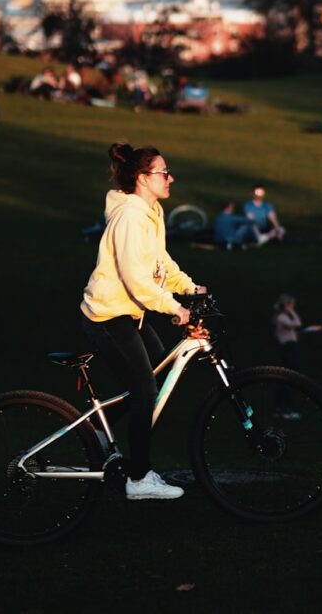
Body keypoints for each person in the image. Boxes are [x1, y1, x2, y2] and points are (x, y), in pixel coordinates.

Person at [80, 142, 206, 500]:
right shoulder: (130, 217)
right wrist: (174, 308)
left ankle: (95, 426)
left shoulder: (150, 213)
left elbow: (159, 262)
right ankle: (138, 479)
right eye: (163, 173)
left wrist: (190, 288)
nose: (170, 178)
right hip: (107, 315)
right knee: (146, 390)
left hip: (127, 314)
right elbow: (136, 278)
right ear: (142, 178)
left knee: (157, 371)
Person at [272, 294, 322, 419]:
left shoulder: (282, 317)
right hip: (289, 349)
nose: (293, 307)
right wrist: (292, 312)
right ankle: (285, 410)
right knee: (289, 377)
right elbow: (298, 323)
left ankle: (281, 409)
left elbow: (293, 331)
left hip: (289, 348)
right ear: (287, 305)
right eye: (291, 305)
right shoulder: (282, 317)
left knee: (287, 378)